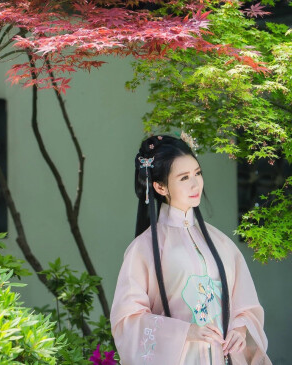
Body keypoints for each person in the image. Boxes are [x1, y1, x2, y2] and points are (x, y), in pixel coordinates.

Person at [110, 134, 272, 365]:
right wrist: (186, 332)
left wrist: (240, 329)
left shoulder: (221, 243)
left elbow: (245, 305)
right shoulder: (143, 249)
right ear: (160, 186)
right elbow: (127, 320)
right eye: (184, 177)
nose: (195, 184)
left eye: (197, 173)